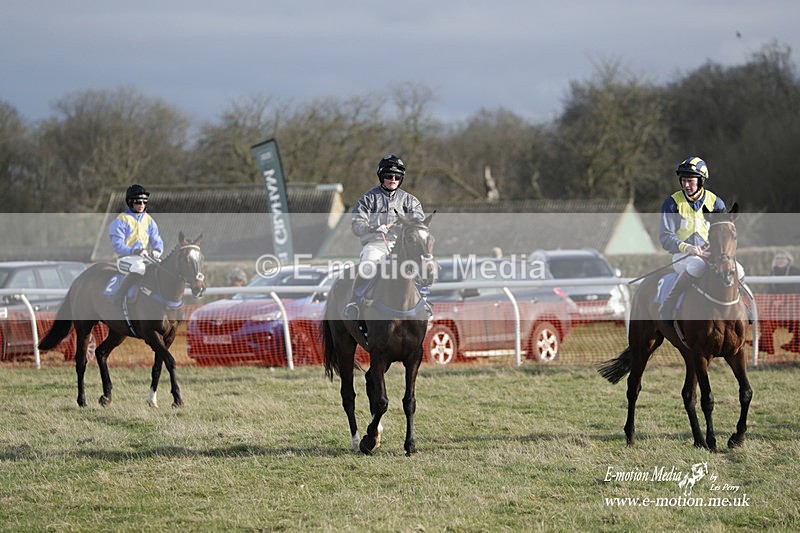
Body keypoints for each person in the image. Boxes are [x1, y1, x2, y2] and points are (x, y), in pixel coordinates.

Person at [658, 156, 746, 325]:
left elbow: (724, 231)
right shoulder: (671, 203)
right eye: (683, 181)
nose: (686, 185)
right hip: (683, 256)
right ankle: (668, 305)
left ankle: (743, 306)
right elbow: (665, 237)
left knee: (739, 270)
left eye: (690, 181)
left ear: (700, 181)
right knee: (697, 265)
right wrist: (688, 248)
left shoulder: (716, 202)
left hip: (713, 255)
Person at [342, 154, 426, 320]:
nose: (393, 179)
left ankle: (424, 303)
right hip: (376, 244)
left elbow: (419, 224)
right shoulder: (368, 199)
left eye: (397, 177)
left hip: (401, 245)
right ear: (381, 176)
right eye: (388, 176)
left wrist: (404, 227)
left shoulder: (410, 201)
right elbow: (356, 225)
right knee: (367, 266)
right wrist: (373, 228)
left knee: (419, 266)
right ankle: (354, 302)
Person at [109, 184, 164, 306]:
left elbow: (157, 240)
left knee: (162, 269)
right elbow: (118, 246)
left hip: (143, 258)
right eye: (138, 202)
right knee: (139, 268)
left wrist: (157, 250)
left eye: (144, 202)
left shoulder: (149, 220)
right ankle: (118, 298)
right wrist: (135, 251)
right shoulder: (120, 220)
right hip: (124, 259)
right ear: (130, 203)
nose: (142, 206)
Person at [759, 250, 800, 353]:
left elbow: (796, 291)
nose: (780, 261)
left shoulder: (795, 271)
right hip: (776, 306)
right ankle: (766, 345)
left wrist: (783, 300)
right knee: (764, 316)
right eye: (778, 258)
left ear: (788, 260)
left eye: (783, 258)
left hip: (794, 305)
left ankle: (796, 343)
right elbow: (769, 292)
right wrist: (773, 302)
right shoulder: (772, 273)